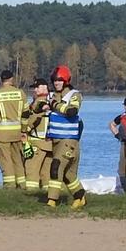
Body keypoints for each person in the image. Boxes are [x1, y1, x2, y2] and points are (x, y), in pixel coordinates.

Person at [44, 65, 85, 209]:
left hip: (69, 140)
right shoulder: (51, 95)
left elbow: (72, 111)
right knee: (69, 175)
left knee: (56, 167)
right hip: (55, 140)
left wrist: (54, 105)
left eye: (60, 80)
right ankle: (80, 196)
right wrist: (39, 106)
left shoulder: (74, 95)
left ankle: (51, 201)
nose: (56, 83)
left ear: (66, 81)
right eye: (55, 80)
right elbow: (36, 108)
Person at [0, 71, 26, 189]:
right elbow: (26, 114)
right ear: (12, 79)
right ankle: (22, 183)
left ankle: (9, 185)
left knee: (6, 160)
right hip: (17, 133)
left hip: (2, 134)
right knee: (18, 159)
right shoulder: (21, 93)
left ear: (1, 80)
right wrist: (24, 130)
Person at [22, 79, 52, 195]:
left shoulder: (39, 102)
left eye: (37, 87)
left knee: (31, 170)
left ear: (44, 88)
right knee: (46, 173)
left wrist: (25, 130)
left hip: (37, 143)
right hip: (49, 144)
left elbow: (34, 118)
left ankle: (31, 194)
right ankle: (47, 194)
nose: (34, 90)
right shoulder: (53, 102)